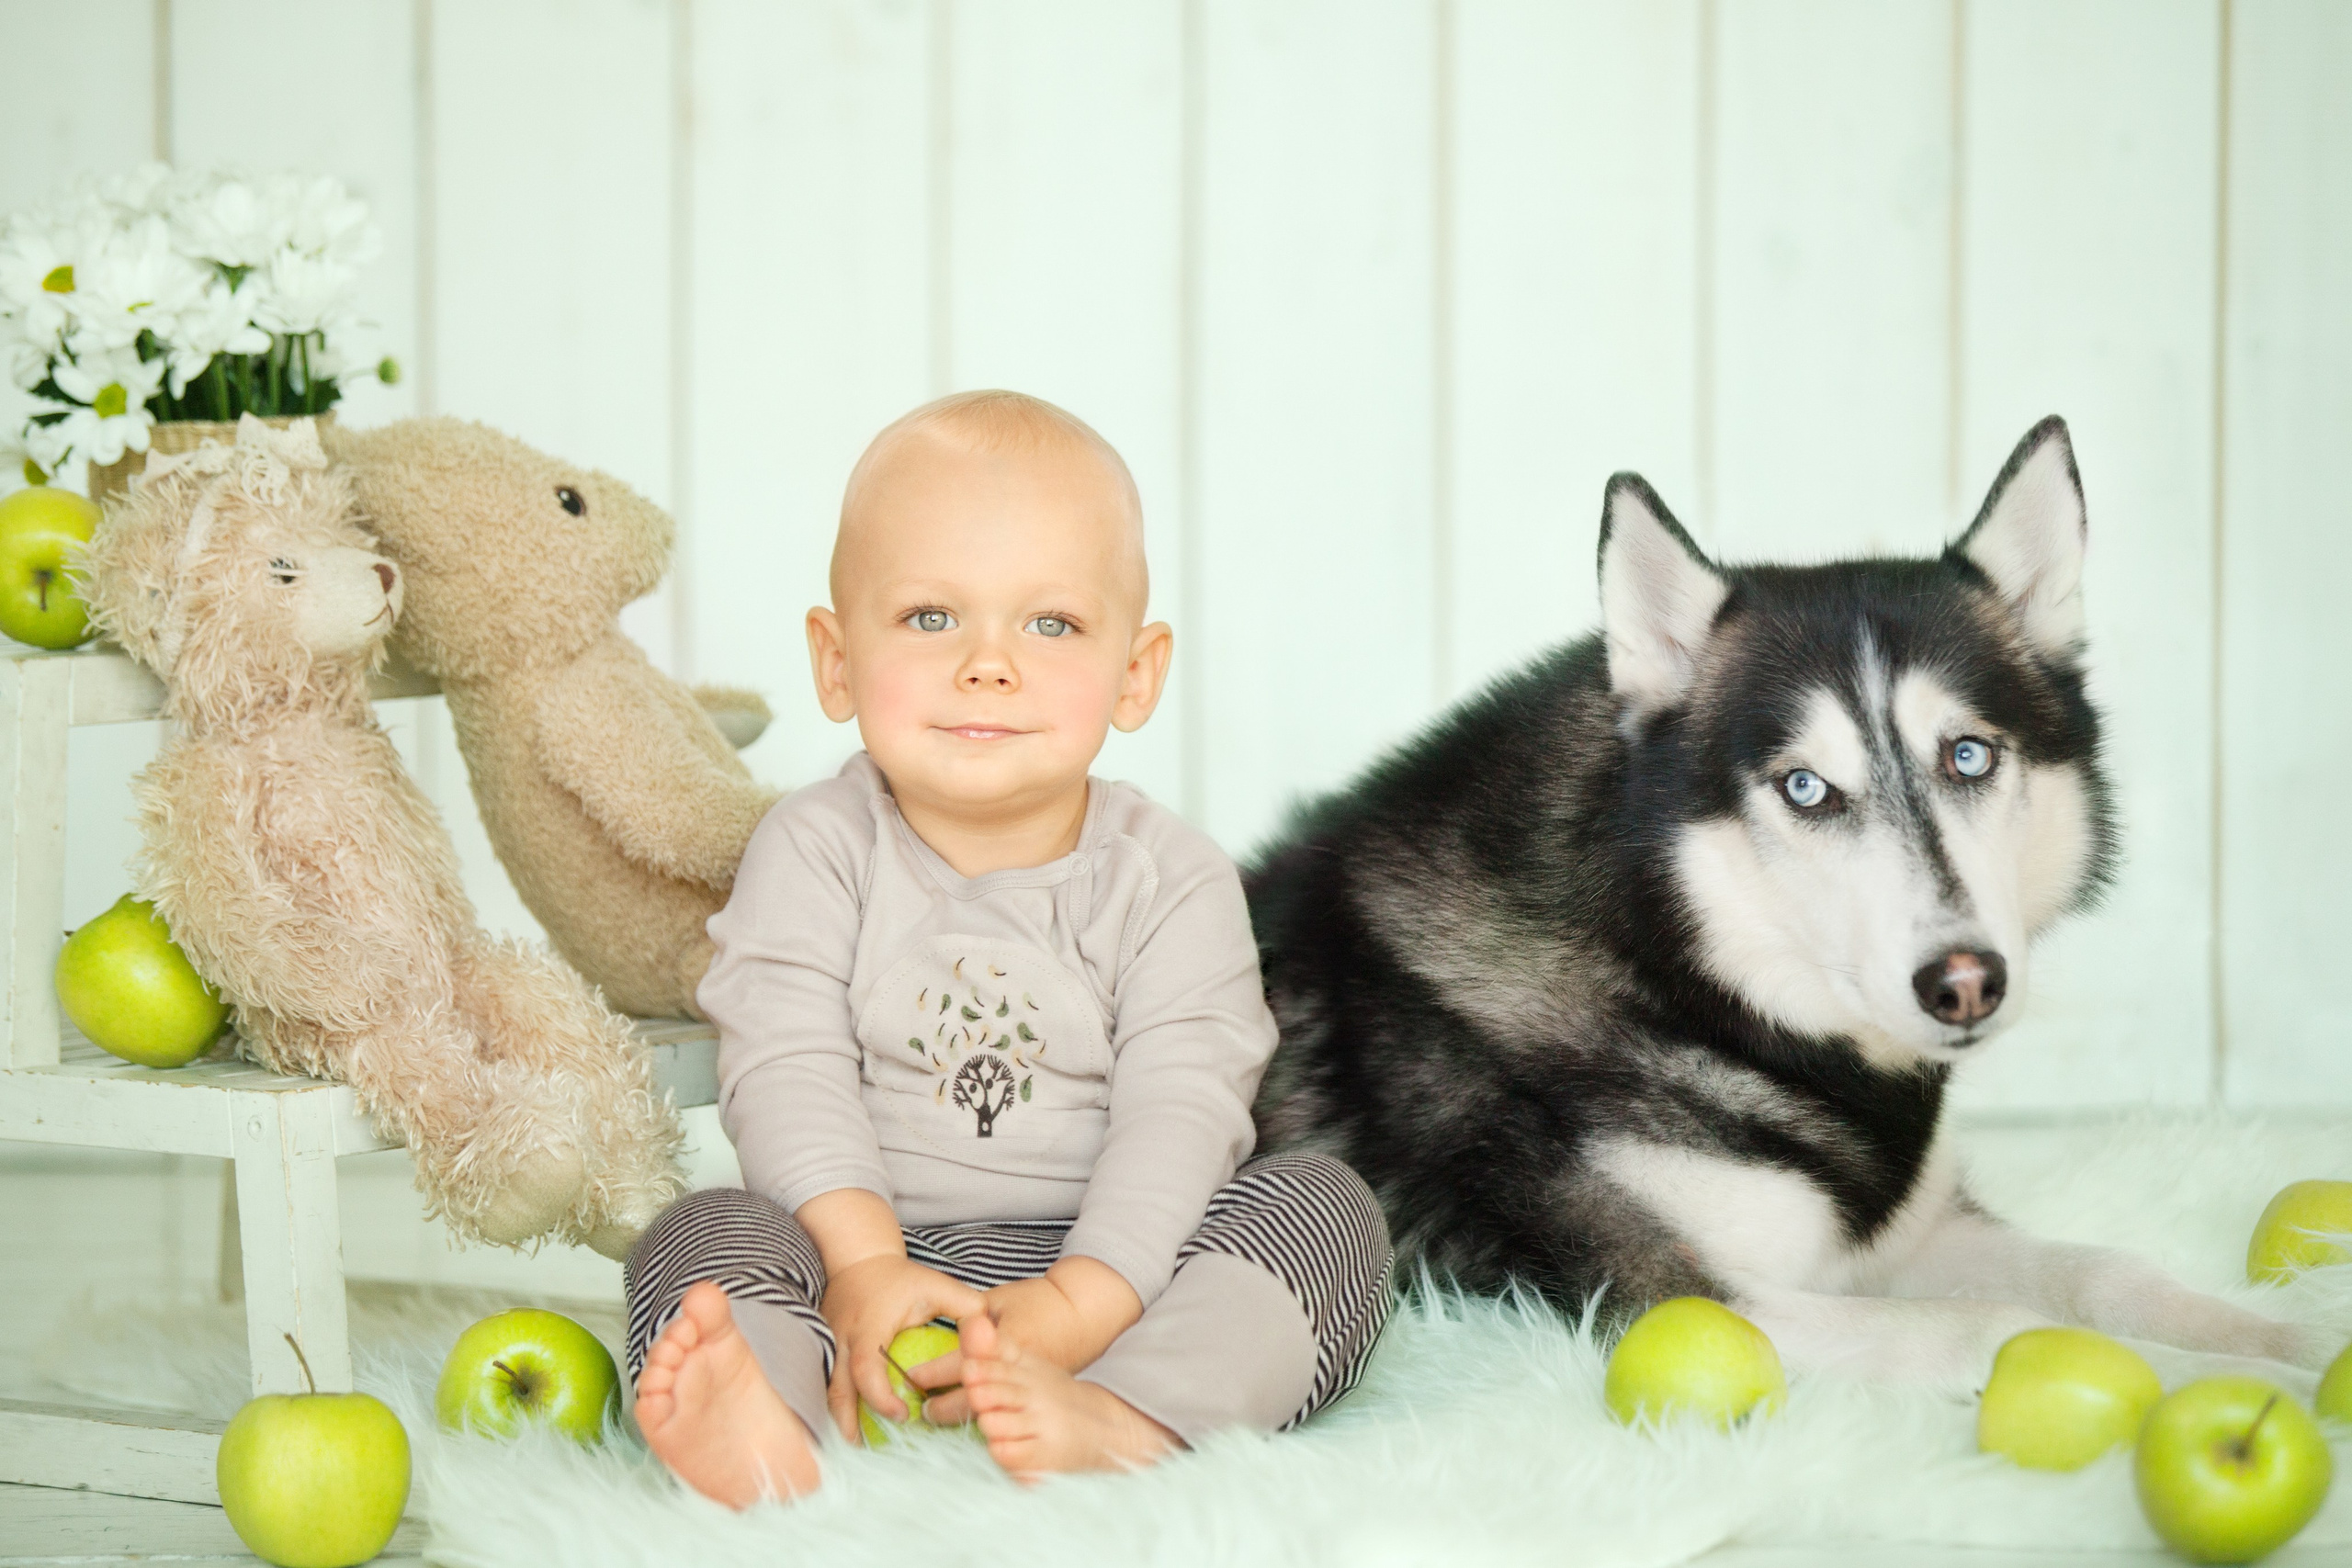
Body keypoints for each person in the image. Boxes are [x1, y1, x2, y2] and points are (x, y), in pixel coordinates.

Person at [625, 389, 1392, 1506]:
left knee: (1327, 1211)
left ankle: (1128, 1412)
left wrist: (1082, 1303)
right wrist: (862, 1266)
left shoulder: (1170, 877)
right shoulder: (815, 846)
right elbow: (784, 1063)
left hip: (1121, 1278)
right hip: (859, 1273)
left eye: (1051, 625)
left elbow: (1183, 1106)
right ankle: (768, 1417)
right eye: (931, 617)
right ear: (835, 663)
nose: (989, 664)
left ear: (1136, 673)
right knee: (699, 1230)